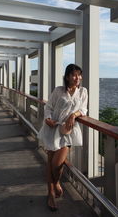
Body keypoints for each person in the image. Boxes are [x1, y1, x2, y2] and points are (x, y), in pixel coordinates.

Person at [38, 64, 88, 211]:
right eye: (73, 75)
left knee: (57, 164)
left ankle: (57, 182)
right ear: (67, 76)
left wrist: (74, 114)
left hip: (67, 131)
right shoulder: (59, 90)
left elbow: (83, 109)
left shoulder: (83, 92)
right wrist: (47, 118)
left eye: (79, 74)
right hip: (52, 128)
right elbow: (49, 107)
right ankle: (51, 193)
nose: (77, 78)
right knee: (50, 163)